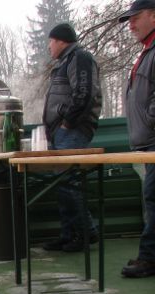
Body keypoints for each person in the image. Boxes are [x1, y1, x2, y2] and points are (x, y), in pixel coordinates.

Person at [41, 23, 103, 253]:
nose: (49, 47)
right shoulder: (64, 63)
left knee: (69, 182)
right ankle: (69, 235)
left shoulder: (80, 57)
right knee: (63, 184)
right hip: (62, 132)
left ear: (60, 40)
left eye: (50, 41)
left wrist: (67, 123)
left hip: (72, 130)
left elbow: (85, 93)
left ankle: (86, 233)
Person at [119, 1, 155, 277]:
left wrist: (150, 123)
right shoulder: (146, 52)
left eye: (135, 18)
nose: (131, 24)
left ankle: (149, 257)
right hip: (146, 141)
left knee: (152, 196)